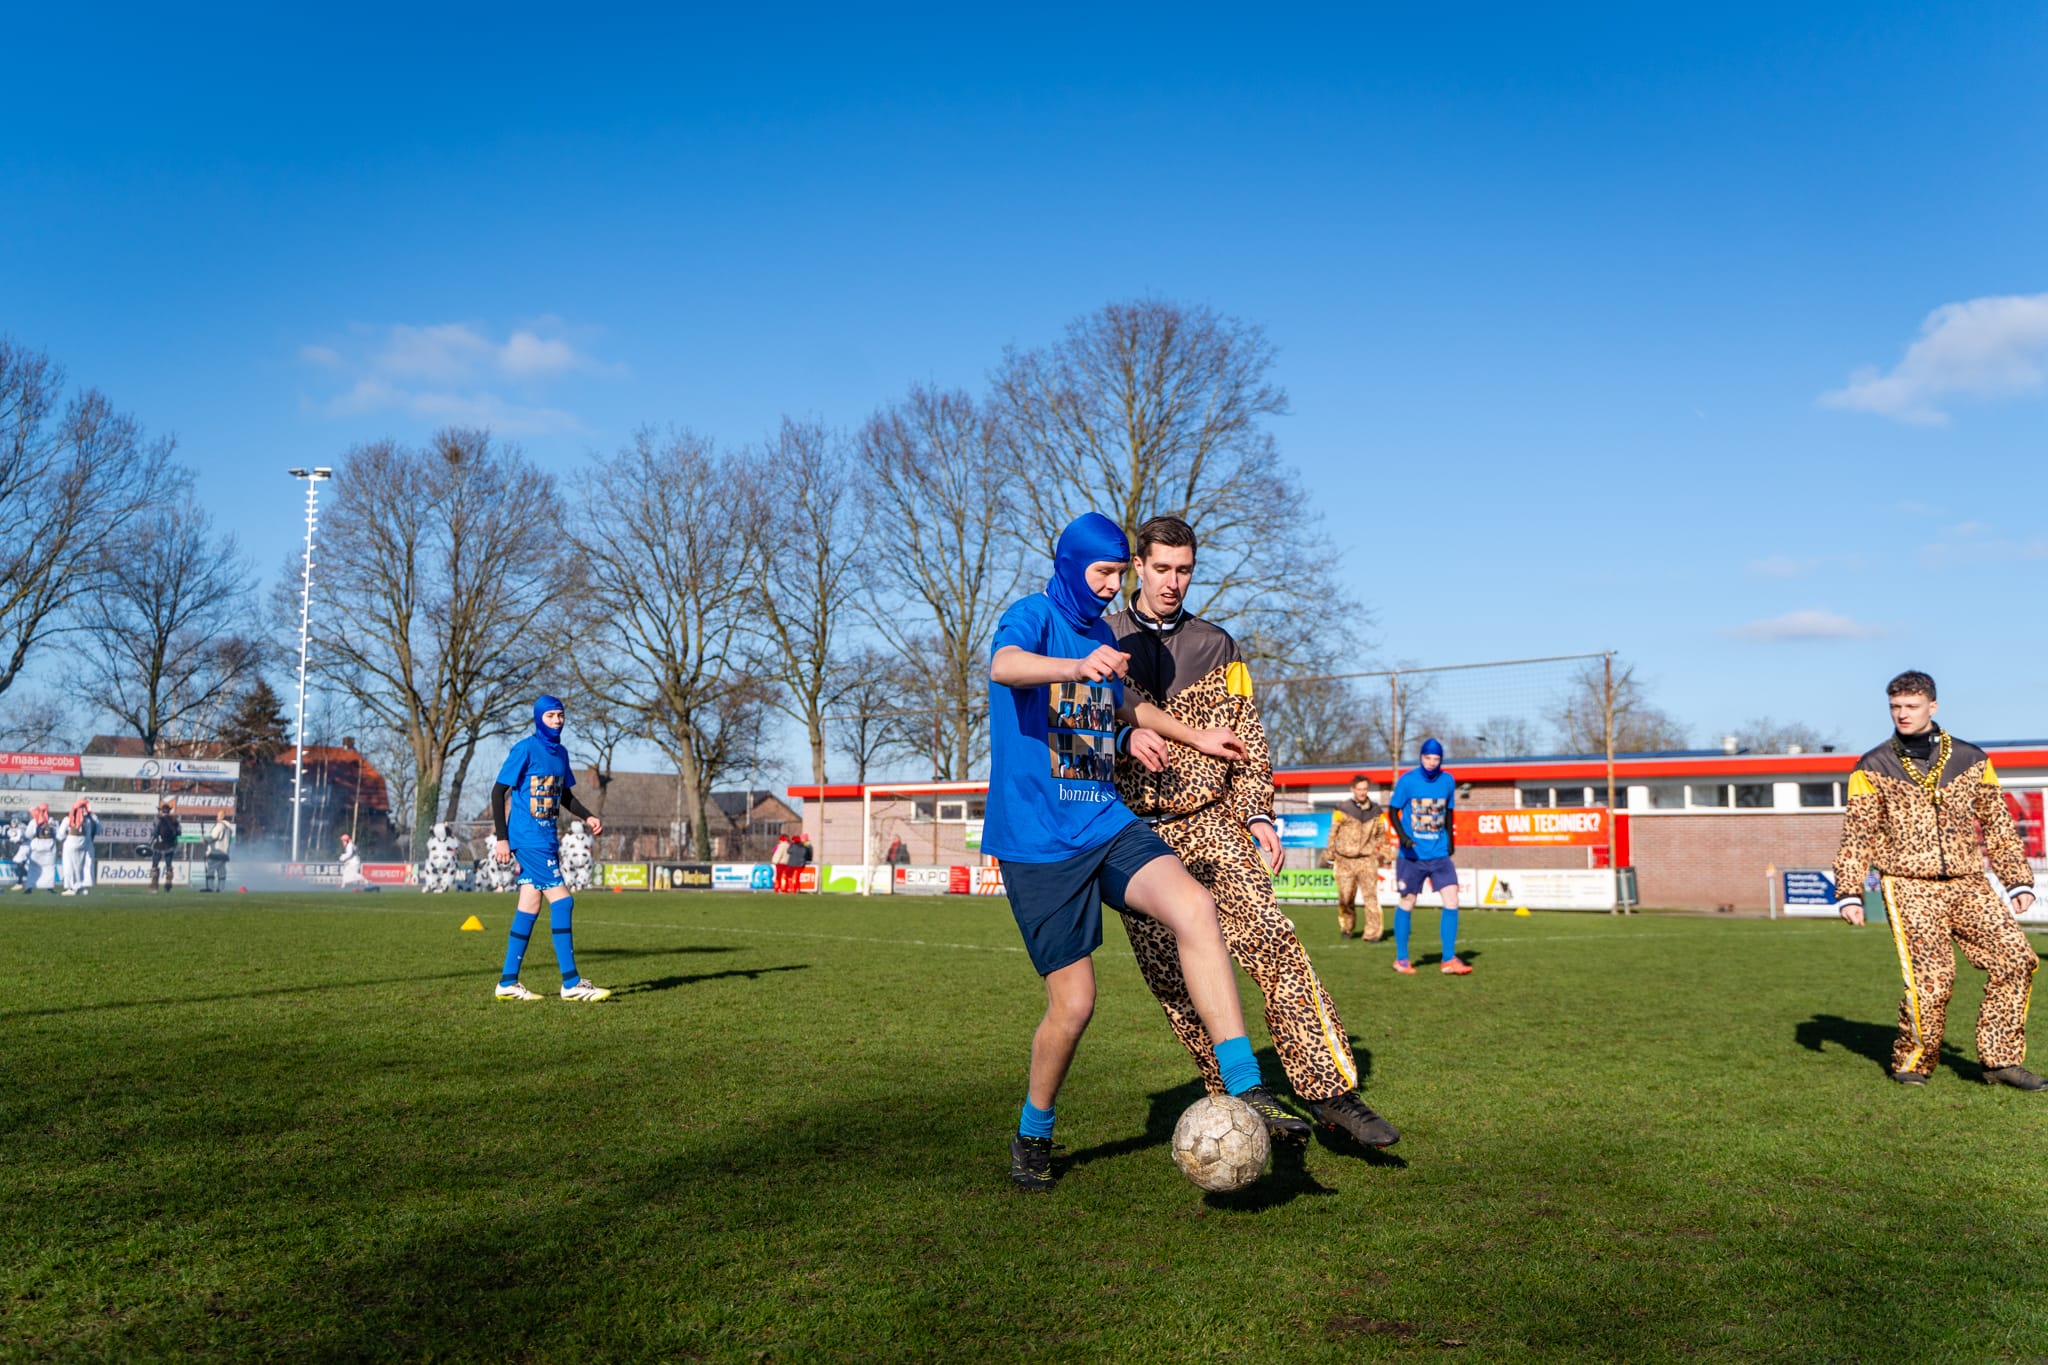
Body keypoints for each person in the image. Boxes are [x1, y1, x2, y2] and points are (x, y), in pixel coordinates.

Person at [989, 511, 1308, 1193]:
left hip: (1104, 819)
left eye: (1116, 573)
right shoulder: (1033, 617)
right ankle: (1033, 1131)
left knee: (1195, 906)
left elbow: (1125, 709)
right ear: (1071, 565)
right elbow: (1004, 666)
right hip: (1039, 843)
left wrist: (1196, 737)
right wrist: (1075, 665)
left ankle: (1245, 1084)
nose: (1111, 586)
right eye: (1101, 573)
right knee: (1075, 1004)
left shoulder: (1104, 635)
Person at [1108, 515, 1398, 1151]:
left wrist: (1257, 811)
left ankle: (1329, 1091)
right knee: (1175, 985)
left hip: (1213, 823)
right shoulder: (1099, 639)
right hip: (1134, 837)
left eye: (1185, 570)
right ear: (1138, 567)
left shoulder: (1218, 646)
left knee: (1274, 943)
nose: (1173, 582)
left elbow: (1249, 737)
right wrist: (1124, 736)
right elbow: (1073, 730)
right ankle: (1241, 1100)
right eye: (1162, 569)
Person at [1833, 670, 2042, 1089]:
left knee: (2017, 961)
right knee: (1933, 981)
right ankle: (1914, 1061)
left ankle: (2001, 1062)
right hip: (1908, 884)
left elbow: (1998, 824)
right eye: (1895, 706)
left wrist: (2017, 880)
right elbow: (1858, 833)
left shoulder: (1972, 759)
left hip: (1969, 882)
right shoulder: (1872, 765)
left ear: (1933, 706)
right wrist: (1849, 891)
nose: (1902, 714)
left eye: (1911, 706)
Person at [492, 695, 611, 1003]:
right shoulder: (524, 749)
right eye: (551, 716)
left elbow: (564, 795)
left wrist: (587, 816)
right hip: (527, 838)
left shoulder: (561, 754)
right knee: (563, 901)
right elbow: (498, 791)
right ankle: (571, 982)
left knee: (530, 905)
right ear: (538, 718)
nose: (557, 720)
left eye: (560, 715)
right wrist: (502, 838)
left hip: (546, 839)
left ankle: (507, 982)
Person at [1389, 738, 1468, 974]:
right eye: (1428, 758)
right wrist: (1403, 837)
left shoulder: (1448, 781)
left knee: (1452, 899)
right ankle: (1402, 959)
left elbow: (1449, 812)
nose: (1432, 763)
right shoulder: (1408, 780)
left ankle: (1448, 959)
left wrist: (1451, 841)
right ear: (1421, 757)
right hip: (1411, 856)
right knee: (1408, 901)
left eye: (1436, 759)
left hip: (1439, 854)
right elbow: (1393, 811)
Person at [1326, 776, 1391, 941]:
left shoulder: (1376, 811)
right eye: (1359, 789)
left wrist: (1387, 857)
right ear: (1353, 790)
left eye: (1365, 789)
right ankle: (1347, 927)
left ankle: (1372, 933)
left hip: (1367, 860)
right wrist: (1330, 855)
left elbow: (1382, 836)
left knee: (1371, 898)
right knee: (1345, 898)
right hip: (1344, 860)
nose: (1362, 792)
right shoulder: (1341, 808)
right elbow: (1333, 833)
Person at [59, 798, 99, 896]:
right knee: (81, 866)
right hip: (84, 844)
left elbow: (60, 835)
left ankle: (71, 888)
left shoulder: (68, 819)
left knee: (69, 866)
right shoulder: (89, 820)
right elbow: (98, 830)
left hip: (70, 844)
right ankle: (82, 887)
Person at [148, 801, 181, 893]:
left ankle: (154, 885)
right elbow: (179, 832)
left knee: (155, 865)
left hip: (159, 845)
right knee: (168, 865)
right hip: (170, 845)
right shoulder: (174, 820)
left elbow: (155, 833)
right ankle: (168, 883)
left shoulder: (159, 819)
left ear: (162, 811)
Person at [23, 803, 58, 892]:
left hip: (36, 846)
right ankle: (49, 887)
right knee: (49, 867)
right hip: (49, 846)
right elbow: (57, 834)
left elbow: (28, 834)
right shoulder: (52, 821)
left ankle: (30, 887)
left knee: (33, 867)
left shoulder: (34, 821)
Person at [202, 813, 232, 892]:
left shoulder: (220, 826)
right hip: (224, 852)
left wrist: (205, 840)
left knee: (210, 870)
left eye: (218, 816)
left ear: (222, 817)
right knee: (221, 871)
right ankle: (221, 888)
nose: (216, 817)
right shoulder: (229, 828)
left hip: (216, 852)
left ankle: (210, 887)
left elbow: (214, 837)